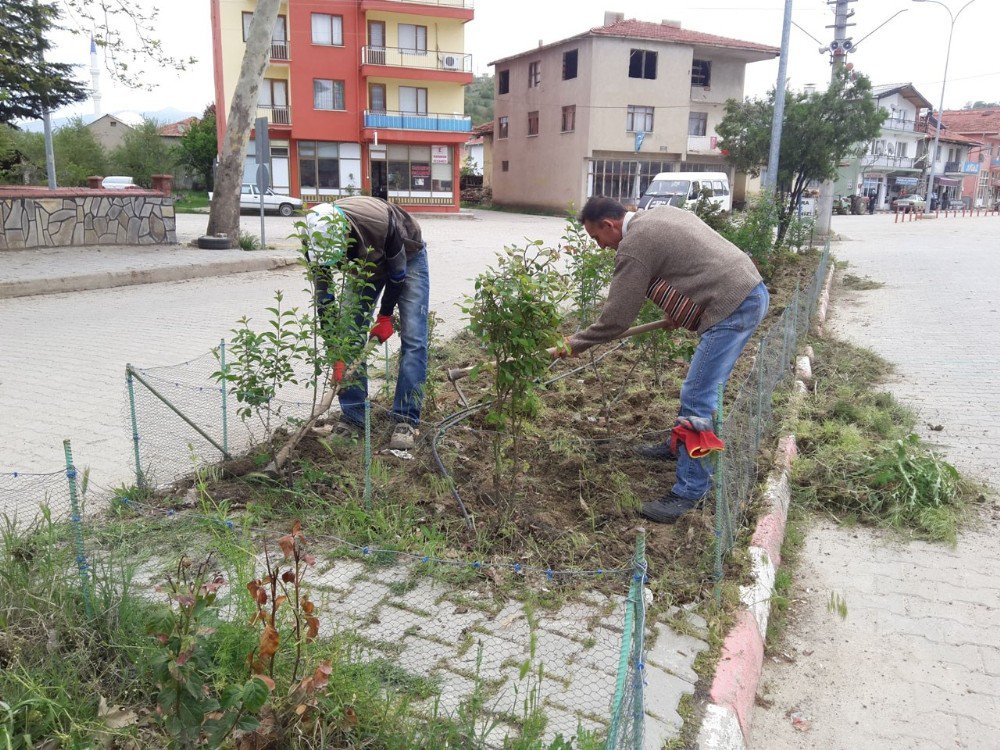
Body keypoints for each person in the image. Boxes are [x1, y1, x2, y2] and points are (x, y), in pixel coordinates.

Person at [555, 196, 768, 523]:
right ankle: (678, 447)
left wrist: (574, 344)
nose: (599, 247)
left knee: (698, 396)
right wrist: (679, 308)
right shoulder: (658, 215)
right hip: (746, 290)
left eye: (597, 238)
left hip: (732, 307)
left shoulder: (634, 245)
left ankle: (689, 492)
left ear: (610, 225)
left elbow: (616, 319)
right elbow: (690, 261)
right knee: (697, 389)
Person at [305, 196, 430, 450]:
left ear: (345, 233)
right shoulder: (314, 238)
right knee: (348, 334)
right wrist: (336, 352)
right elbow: (324, 300)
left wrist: (384, 316)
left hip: (408, 253)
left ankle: (406, 418)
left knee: (414, 338)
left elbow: (397, 274)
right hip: (363, 266)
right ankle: (354, 417)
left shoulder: (379, 221)